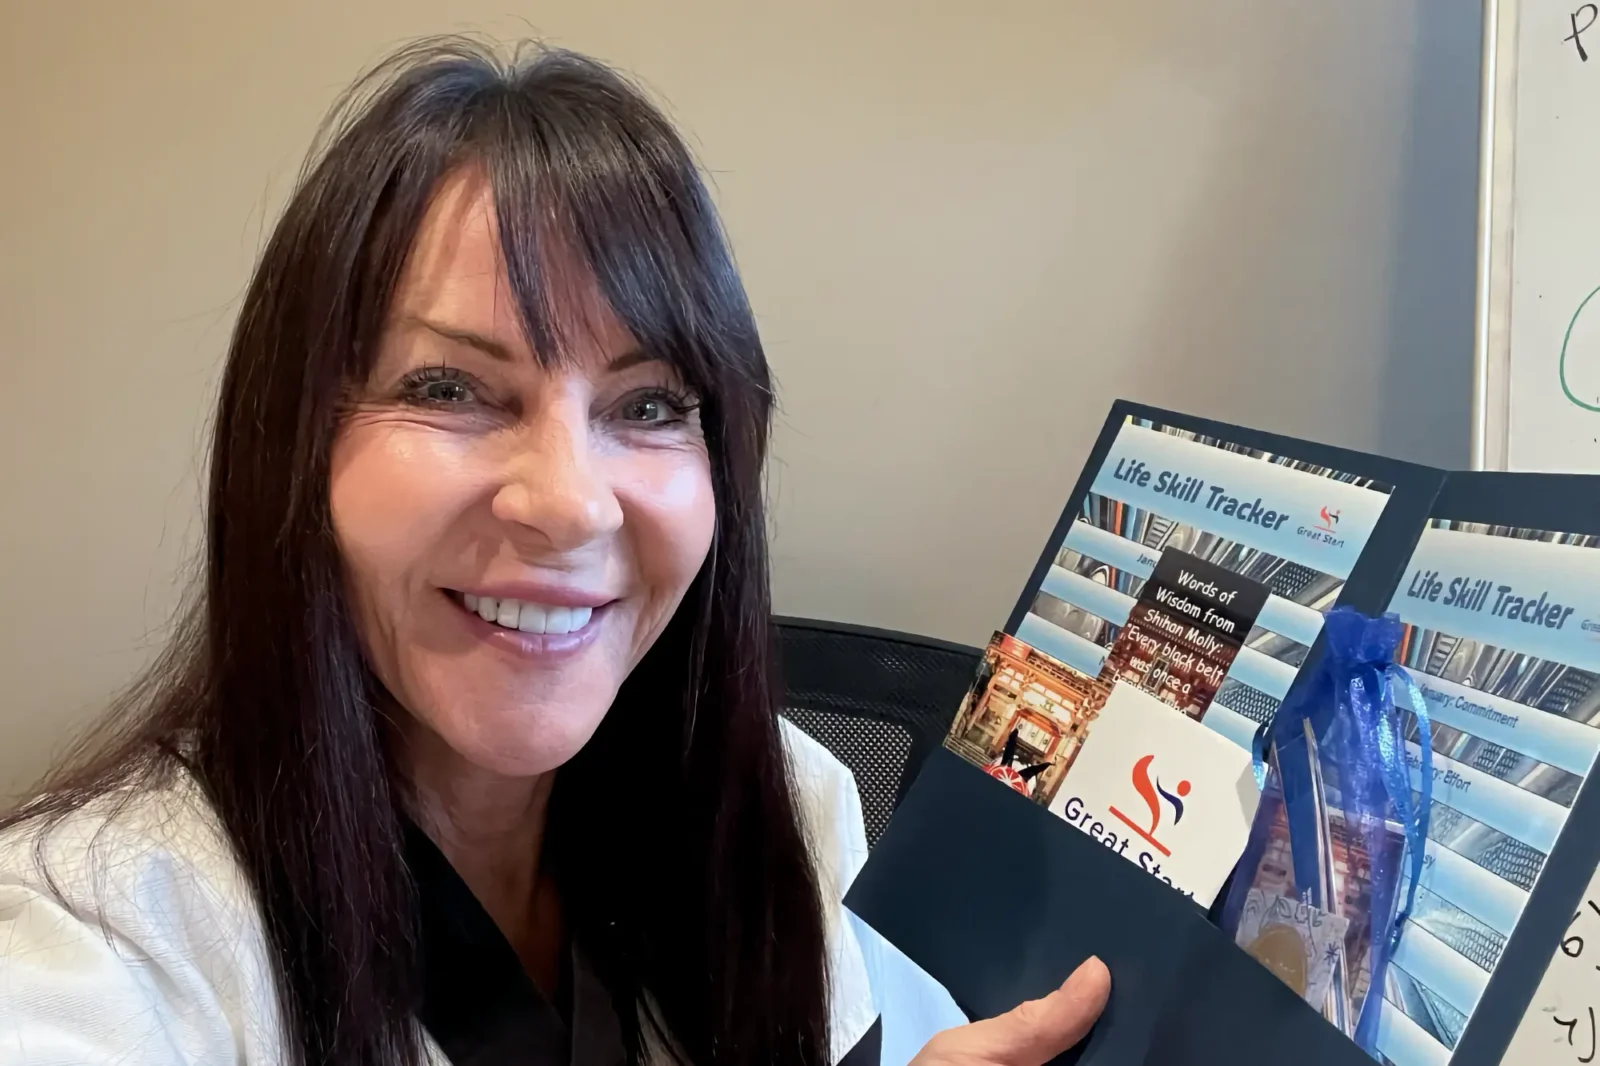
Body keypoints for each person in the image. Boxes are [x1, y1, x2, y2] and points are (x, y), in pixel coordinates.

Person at [0, 38, 1109, 1066]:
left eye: (649, 404)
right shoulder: (106, 942)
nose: (572, 506)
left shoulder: (787, 805)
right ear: (295, 446)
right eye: (450, 388)